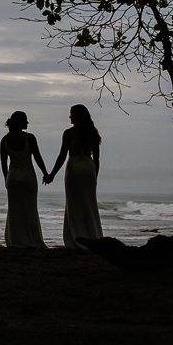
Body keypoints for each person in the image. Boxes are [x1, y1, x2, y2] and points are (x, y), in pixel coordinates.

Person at [43, 104, 103, 249]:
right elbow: (96, 159)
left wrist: (52, 174)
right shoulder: (93, 132)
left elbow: (62, 156)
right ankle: (92, 235)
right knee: (89, 203)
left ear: (78, 115)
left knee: (74, 203)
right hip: (89, 169)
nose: (69, 116)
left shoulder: (69, 133)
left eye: (71, 113)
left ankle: (76, 237)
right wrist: (95, 176)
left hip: (74, 169)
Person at [0, 111, 49, 249]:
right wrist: (45, 173)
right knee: (30, 209)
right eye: (26, 120)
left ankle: (15, 240)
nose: (28, 123)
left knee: (14, 210)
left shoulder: (4, 140)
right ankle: (32, 240)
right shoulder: (30, 138)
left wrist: (6, 179)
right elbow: (38, 158)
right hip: (28, 175)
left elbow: (3, 163)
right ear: (20, 122)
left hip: (13, 176)